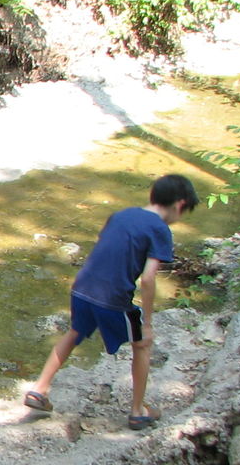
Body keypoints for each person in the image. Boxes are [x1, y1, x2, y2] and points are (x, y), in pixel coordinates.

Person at [24, 173, 200, 430]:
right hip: (113, 297)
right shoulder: (160, 229)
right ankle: (138, 411)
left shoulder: (121, 215)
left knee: (75, 332)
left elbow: (108, 249)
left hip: (82, 287)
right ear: (180, 205)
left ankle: (39, 390)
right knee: (142, 343)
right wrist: (148, 321)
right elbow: (149, 279)